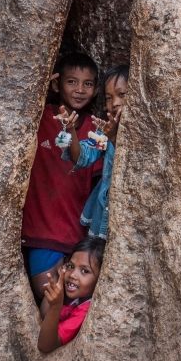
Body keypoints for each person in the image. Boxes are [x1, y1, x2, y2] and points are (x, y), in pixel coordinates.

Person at [21, 52, 103, 301]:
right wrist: (40, 83)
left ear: (96, 89)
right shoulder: (41, 117)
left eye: (87, 84)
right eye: (71, 82)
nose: (79, 89)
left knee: (70, 309)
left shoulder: (96, 129)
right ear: (57, 84)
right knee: (49, 305)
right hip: (43, 235)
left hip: (79, 241)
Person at [58, 64, 128, 241]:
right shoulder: (104, 131)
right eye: (108, 98)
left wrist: (114, 138)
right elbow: (81, 157)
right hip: (102, 217)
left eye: (122, 95)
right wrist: (71, 130)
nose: (115, 103)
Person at [37, 236, 105, 352]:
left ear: (101, 278)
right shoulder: (78, 297)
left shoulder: (85, 311)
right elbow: (44, 314)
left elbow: (45, 346)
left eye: (85, 271)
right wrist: (59, 281)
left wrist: (55, 306)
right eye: (71, 266)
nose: (72, 274)